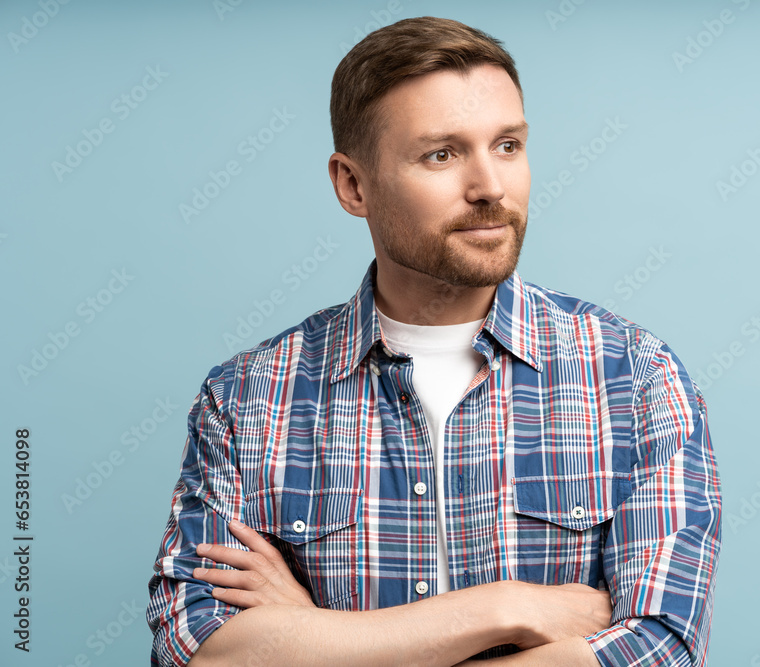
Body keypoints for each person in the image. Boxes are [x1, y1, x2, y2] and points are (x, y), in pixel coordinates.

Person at [146, 16, 721, 667]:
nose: (490, 188)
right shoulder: (248, 400)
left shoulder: (635, 377)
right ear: (353, 185)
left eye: (507, 145)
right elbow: (193, 650)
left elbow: (660, 649)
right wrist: (505, 607)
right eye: (441, 154)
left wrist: (315, 637)